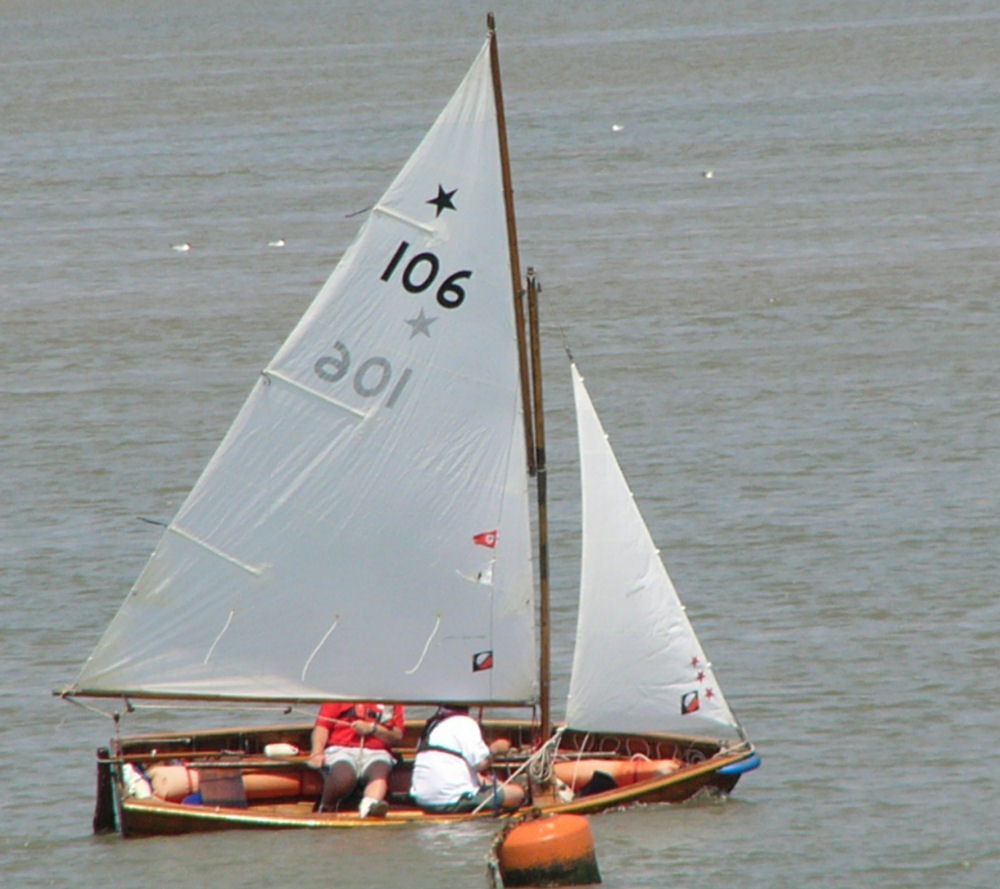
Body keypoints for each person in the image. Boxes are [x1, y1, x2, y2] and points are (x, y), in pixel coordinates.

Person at [409, 705, 525, 813]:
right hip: (452, 801)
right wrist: (496, 749)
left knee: (489, 783)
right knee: (518, 793)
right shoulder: (465, 723)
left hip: (422, 800)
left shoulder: (432, 723)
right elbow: (481, 763)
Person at [307, 702, 404, 817]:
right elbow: (322, 727)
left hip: (377, 752)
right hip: (342, 749)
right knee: (344, 778)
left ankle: (370, 807)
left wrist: (373, 729)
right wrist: (317, 752)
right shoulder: (338, 696)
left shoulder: (390, 700)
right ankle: (326, 807)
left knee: (379, 775)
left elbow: (397, 736)